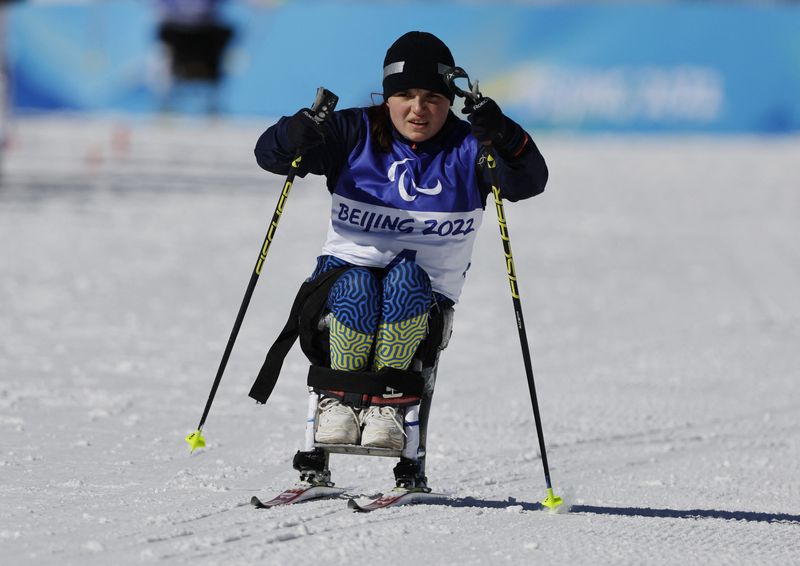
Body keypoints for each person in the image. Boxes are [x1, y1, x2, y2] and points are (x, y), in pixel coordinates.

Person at [250, 31, 548, 486]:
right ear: (385, 97)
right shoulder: (353, 132)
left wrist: (504, 134)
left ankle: (389, 409)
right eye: (404, 95)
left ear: (450, 100)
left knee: (405, 279)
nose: (418, 108)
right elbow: (270, 155)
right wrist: (297, 131)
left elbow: (527, 182)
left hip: (424, 294)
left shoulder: (470, 147)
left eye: (432, 97)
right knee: (358, 284)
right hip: (341, 280)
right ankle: (340, 405)